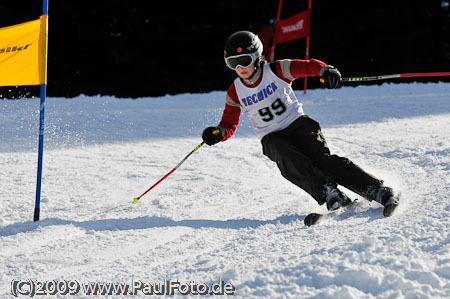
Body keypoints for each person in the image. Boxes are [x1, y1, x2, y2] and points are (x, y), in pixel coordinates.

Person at [202, 30, 399, 214]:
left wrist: (325, 71)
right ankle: (329, 193)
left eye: (244, 61)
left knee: (322, 160)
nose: (240, 68)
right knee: (288, 159)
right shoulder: (235, 91)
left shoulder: (276, 70)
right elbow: (229, 123)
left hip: (298, 124)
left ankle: (378, 190)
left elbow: (309, 65)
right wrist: (218, 133)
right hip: (271, 136)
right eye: (232, 63)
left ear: (257, 56)